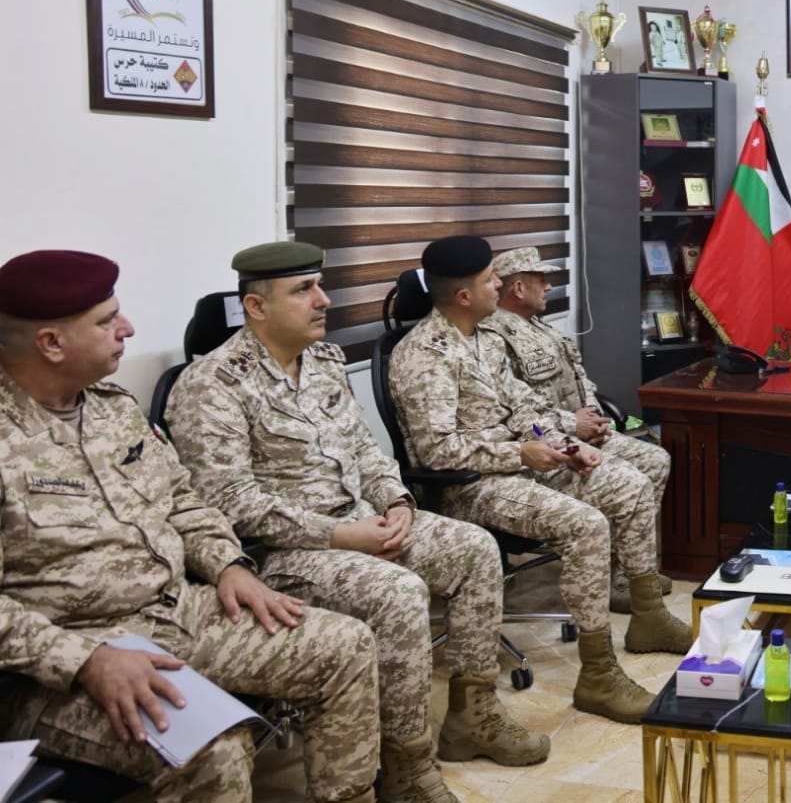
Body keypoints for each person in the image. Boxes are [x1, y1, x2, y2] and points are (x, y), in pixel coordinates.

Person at [166, 242, 550, 802]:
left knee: (473, 549)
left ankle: (473, 716)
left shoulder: (323, 361)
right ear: (256, 306)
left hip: (362, 521)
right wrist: (340, 535)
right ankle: (406, 765)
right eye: (304, 290)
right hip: (284, 553)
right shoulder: (212, 384)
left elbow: (367, 453)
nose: (323, 300)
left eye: (319, 285)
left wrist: (397, 502)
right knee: (398, 592)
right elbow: (227, 501)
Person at [0, 249, 381, 803]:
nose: (128, 329)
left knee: (344, 646)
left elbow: (183, 500)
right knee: (211, 749)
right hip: (63, 659)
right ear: (51, 344)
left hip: (177, 608)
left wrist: (228, 564)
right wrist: (84, 660)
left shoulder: (112, 407)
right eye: (107, 321)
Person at [387, 236, 692, 724]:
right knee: (587, 525)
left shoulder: (485, 339)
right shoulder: (423, 355)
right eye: (490, 279)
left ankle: (648, 616)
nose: (499, 285)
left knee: (629, 483)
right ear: (464, 295)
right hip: (470, 486)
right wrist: (520, 452)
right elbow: (437, 451)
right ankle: (598, 674)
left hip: (523, 463)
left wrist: (562, 443)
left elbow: (524, 409)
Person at [479, 245, 673, 613]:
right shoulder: (494, 337)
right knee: (626, 479)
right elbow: (518, 410)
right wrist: (573, 426)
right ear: (518, 288)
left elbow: (579, 379)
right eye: (541, 279)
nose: (549, 286)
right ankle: (612, 576)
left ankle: (627, 569)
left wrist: (594, 418)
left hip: (576, 431)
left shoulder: (538, 326)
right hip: (545, 443)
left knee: (654, 459)